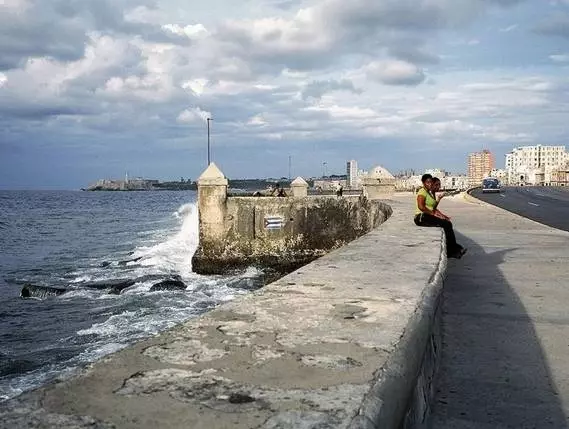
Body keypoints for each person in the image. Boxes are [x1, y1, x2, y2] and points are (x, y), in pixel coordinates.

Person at [414, 174, 466, 259]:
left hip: (426, 215)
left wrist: (443, 216)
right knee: (446, 225)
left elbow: (433, 208)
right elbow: (421, 207)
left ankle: (454, 249)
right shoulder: (422, 191)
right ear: (423, 183)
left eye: (431, 182)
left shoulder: (429, 193)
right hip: (421, 217)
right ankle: (453, 251)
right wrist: (433, 214)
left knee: (447, 223)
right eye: (427, 182)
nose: (429, 184)